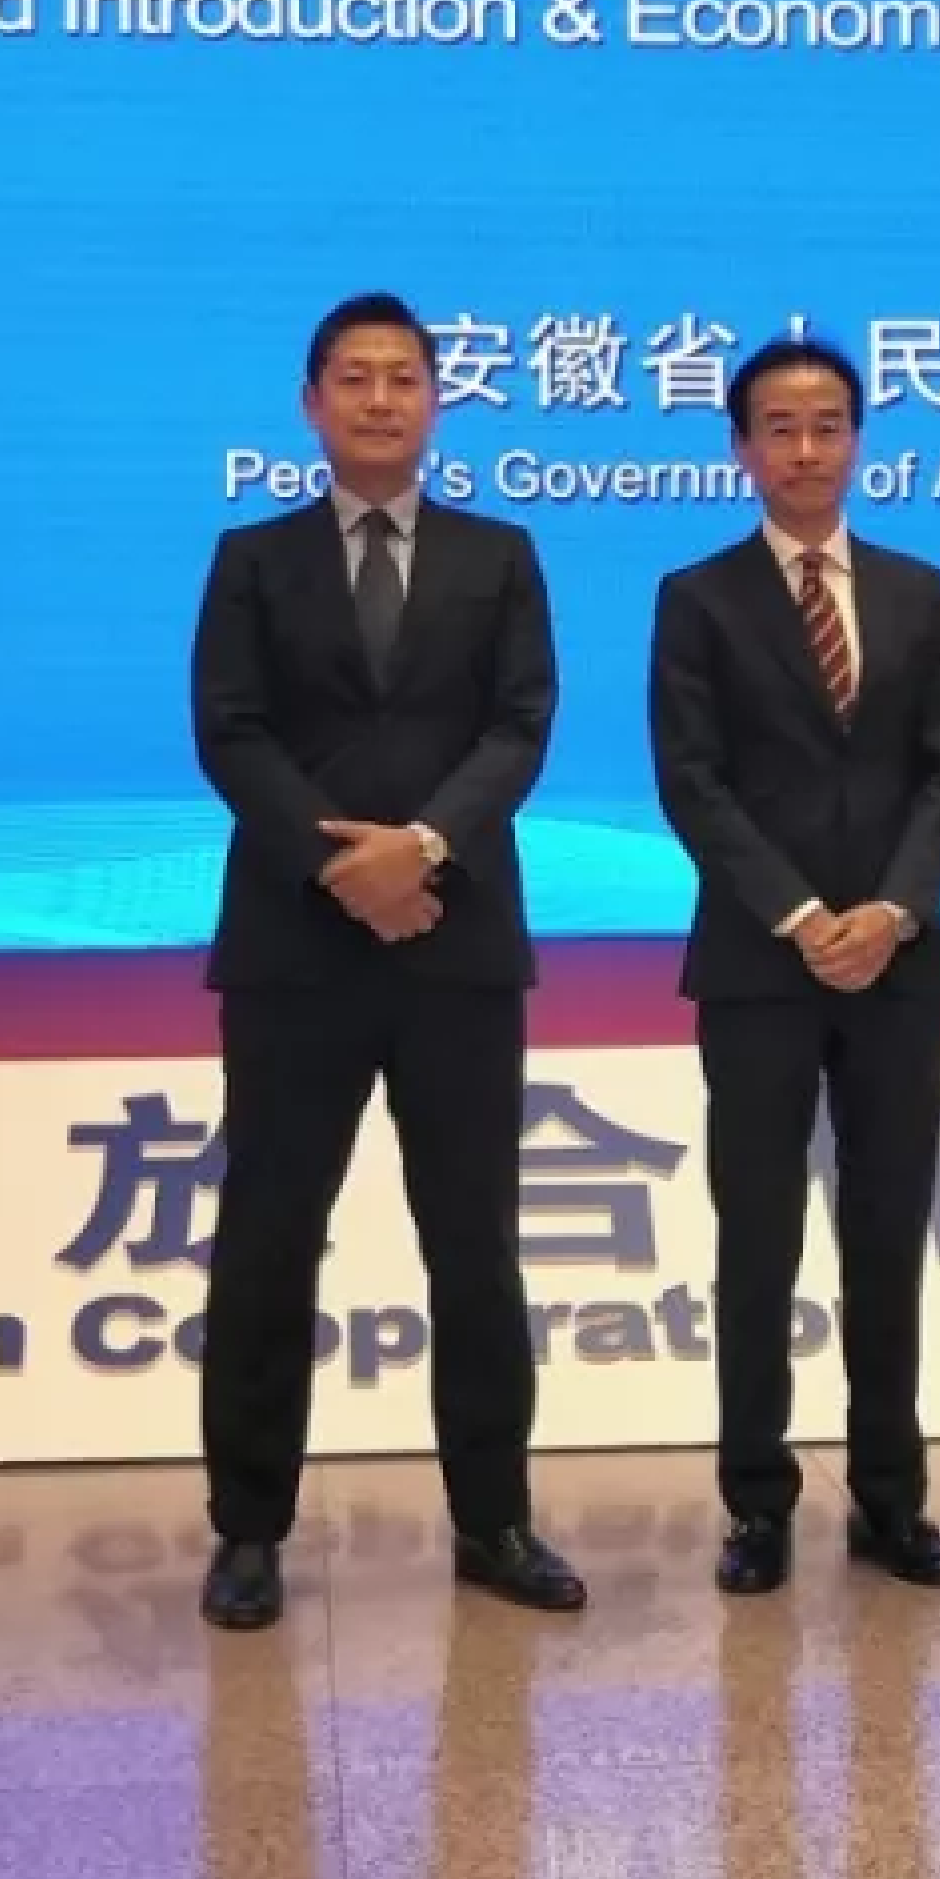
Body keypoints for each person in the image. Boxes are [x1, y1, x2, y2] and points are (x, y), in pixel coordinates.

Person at [187, 290, 578, 1630]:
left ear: (436, 402)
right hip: (293, 950)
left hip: (457, 947)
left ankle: (495, 1520)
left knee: (472, 1243)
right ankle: (248, 1531)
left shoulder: (499, 555)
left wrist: (422, 849)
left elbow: (520, 727)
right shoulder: (252, 559)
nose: (379, 400)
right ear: (311, 404)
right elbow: (231, 733)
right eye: (353, 378)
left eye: (403, 377)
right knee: (269, 1240)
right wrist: (344, 869)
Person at [649, 336, 940, 1595]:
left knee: (888, 1233)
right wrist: (798, 914)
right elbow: (695, 784)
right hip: (757, 965)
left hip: (898, 963)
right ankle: (758, 1502)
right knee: (759, 1238)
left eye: (827, 424)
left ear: (858, 440)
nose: (804, 449)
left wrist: (891, 910)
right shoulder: (698, 597)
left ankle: (892, 1498)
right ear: (740, 447)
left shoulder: (921, 592)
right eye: (778, 428)